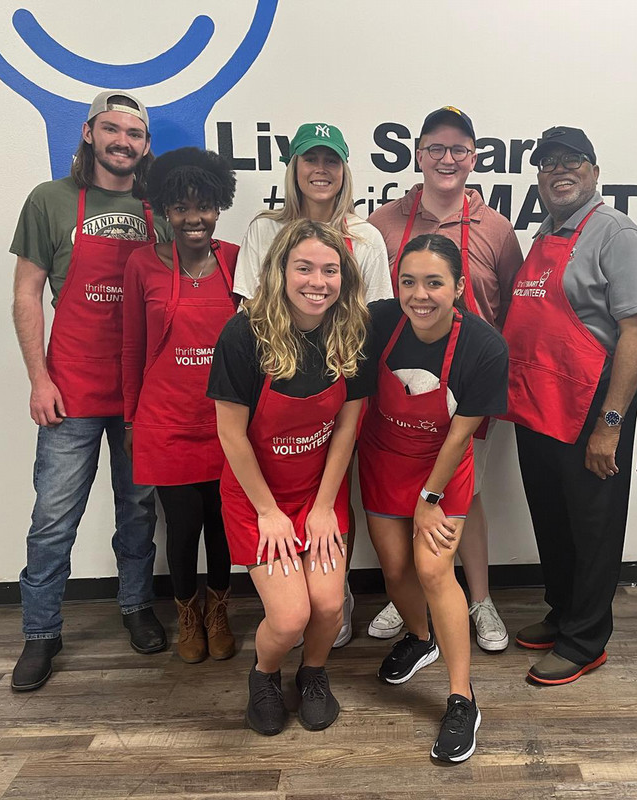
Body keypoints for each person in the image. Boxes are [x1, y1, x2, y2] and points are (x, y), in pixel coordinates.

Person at [10, 91, 172, 692]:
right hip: (70, 391)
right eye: (112, 129)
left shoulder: (158, 209)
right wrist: (38, 378)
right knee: (53, 518)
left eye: (134, 133)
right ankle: (40, 631)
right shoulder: (50, 201)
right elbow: (27, 294)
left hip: (139, 395)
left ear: (145, 145)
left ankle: (135, 605)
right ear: (88, 133)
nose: (123, 141)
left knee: (136, 511)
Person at [503, 126, 637, 685]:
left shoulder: (617, 235)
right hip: (540, 405)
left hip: (595, 404)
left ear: (595, 170)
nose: (559, 171)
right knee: (553, 518)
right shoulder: (545, 234)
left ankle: (586, 639)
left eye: (572, 161)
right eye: (547, 163)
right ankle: (564, 610)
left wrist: (610, 424)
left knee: (594, 526)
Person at [367, 106, 522, 651]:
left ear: (474, 158)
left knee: (467, 488)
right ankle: (412, 592)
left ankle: (478, 599)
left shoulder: (497, 229)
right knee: (411, 483)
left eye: (459, 150)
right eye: (436, 148)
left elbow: (514, 308)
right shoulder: (383, 223)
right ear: (418, 155)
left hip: (469, 385)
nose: (447, 159)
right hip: (401, 380)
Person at [209, 219, 371, 735]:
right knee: (288, 617)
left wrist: (324, 506)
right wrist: (268, 513)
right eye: (303, 268)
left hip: (317, 492)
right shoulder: (244, 333)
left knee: (328, 605)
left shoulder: (352, 331)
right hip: (257, 497)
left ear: (344, 277)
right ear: (280, 270)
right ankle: (264, 675)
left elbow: (347, 427)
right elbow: (232, 435)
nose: (316, 281)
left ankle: (314, 674)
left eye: (329, 270)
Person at [234, 122, 392, 647]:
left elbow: (369, 321)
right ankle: (293, 604)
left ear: (345, 171)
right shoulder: (264, 228)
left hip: (338, 381)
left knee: (331, 486)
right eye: (310, 160)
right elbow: (251, 312)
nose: (320, 170)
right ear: (294, 168)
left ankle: (334, 595)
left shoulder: (366, 237)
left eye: (331, 161)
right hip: (275, 383)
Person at [360, 234, 509, 762]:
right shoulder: (378, 322)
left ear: (459, 287)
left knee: (432, 569)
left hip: (441, 470)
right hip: (382, 460)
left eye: (434, 282)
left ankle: (462, 697)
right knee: (396, 568)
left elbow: (460, 434)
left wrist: (430, 496)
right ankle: (421, 638)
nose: (419, 294)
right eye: (408, 281)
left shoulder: (483, 347)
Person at [122, 147, 239, 663]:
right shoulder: (142, 263)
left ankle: (219, 610)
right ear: (164, 209)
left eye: (205, 205)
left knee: (222, 523)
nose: (194, 218)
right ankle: (188, 614)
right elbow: (130, 347)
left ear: (219, 206)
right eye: (181, 207)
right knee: (183, 525)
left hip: (228, 422)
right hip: (165, 421)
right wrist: (130, 418)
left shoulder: (237, 260)